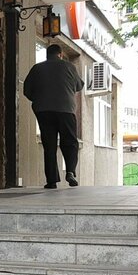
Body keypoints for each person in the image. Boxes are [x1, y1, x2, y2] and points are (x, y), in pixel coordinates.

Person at [23, 44, 84, 189]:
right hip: (66, 110)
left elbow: (27, 90)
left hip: (43, 110)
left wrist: (39, 99)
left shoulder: (37, 68)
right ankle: (70, 171)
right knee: (70, 141)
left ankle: (51, 181)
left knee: (49, 145)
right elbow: (79, 86)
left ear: (47, 54)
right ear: (60, 54)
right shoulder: (69, 67)